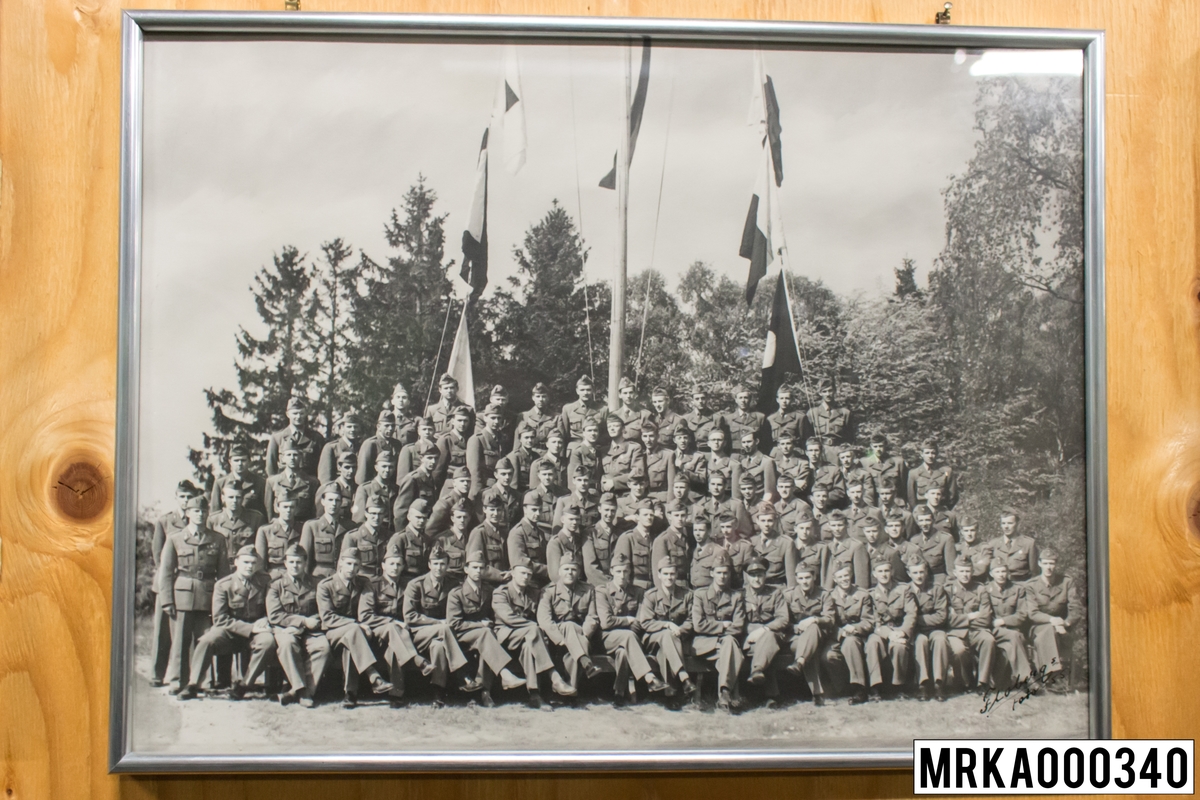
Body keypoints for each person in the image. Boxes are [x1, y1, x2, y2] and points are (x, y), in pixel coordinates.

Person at [178, 546, 275, 701]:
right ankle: (193, 684)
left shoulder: (264, 581)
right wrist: (250, 628)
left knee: (268, 642)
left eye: (253, 563)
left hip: (255, 633)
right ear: (236, 562)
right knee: (206, 641)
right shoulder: (224, 585)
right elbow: (220, 618)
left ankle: (244, 685)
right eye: (245, 562)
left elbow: (272, 608)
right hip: (231, 633)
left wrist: (266, 619)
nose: (249, 566)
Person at [157, 494, 229, 693]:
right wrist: (166, 601)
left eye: (204, 511)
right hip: (182, 595)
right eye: (196, 511)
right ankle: (177, 681)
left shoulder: (217, 539)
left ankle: (202, 682)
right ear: (188, 513)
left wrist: (223, 602)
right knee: (180, 641)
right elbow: (166, 572)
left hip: (208, 595)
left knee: (205, 639)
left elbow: (224, 575)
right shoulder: (175, 539)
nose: (200, 514)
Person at [446, 551, 527, 707]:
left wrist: (487, 626)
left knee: (487, 637)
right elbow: (454, 624)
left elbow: (492, 616)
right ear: (466, 569)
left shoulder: (488, 590)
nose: (478, 571)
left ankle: (484, 692)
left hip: (484, 636)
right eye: (474, 567)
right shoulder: (456, 594)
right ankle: (504, 674)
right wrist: (480, 625)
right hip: (461, 637)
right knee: (485, 634)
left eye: (481, 568)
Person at [359, 544, 435, 707]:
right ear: (383, 565)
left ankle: (396, 694)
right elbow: (365, 616)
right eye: (391, 564)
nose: (395, 567)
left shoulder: (408, 585)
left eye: (398, 564)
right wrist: (392, 622)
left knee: (393, 649)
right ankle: (416, 660)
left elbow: (414, 610)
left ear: (403, 567)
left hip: (403, 634)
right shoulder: (373, 585)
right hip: (378, 632)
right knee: (393, 629)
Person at [493, 557, 573, 709]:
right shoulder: (500, 593)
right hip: (506, 635)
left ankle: (535, 695)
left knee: (529, 647)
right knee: (534, 630)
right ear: (512, 573)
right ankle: (554, 677)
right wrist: (534, 627)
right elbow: (508, 618)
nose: (526, 577)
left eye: (529, 574)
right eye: (522, 573)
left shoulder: (534, 593)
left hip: (528, 639)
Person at [402, 545, 474, 706]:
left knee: (439, 647)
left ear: (447, 565)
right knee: (444, 629)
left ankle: (438, 693)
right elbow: (410, 616)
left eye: (442, 564)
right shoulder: (416, 585)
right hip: (419, 633)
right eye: (435, 563)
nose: (438, 568)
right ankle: (462, 673)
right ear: (429, 565)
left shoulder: (453, 584)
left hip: (443, 637)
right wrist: (438, 623)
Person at [595, 553, 669, 705]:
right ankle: (649, 677)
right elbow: (606, 623)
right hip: (606, 639)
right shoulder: (602, 591)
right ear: (611, 572)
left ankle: (619, 693)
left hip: (630, 640)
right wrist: (627, 620)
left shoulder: (639, 592)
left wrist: (630, 625)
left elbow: (640, 622)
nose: (622, 576)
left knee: (623, 652)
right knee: (627, 636)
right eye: (618, 571)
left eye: (625, 571)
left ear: (629, 572)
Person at [267, 544, 328, 707]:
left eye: (299, 562)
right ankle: (303, 691)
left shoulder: (317, 583)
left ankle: (298, 691)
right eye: (292, 562)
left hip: (311, 629)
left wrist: (307, 624)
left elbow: (324, 610)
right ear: (285, 563)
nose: (295, 566)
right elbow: (274, 615)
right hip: (285, 628)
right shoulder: (275, 585)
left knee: (323, 648)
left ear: (305, 563)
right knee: (287, 644)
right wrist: (300, 621)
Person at [690, 549, 746, 712]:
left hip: (724, 645)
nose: (722, 576)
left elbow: (738, 626)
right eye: (719, 572)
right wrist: (722, 626)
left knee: (728, 644)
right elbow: (698, 625)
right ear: (712, 573)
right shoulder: (700, 595)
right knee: (732, 650)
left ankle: (723, 693)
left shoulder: (736, 596)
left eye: (725, 573)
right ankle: (730, 693)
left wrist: (717, 629)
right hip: (704, 644)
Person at [637, 557, 696, 701]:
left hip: (676, 639)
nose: (669, 577)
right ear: (659, 575)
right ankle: (684, 677)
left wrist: (681, 630)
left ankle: (670, 694)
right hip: (652, 639)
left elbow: (691, 620)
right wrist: (666, 624)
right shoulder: (650, 595)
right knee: (666, 634)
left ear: (676, 575)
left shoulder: (687, 594)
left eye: (672, 574)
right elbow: (645, 622)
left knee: (665, 648)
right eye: (665, 574)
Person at [1023, 549, 1082, 687]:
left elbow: (1076, 608)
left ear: (1056, 565)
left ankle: (1049, 675)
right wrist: (1053, 621)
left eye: (1052, 563)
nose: (1049, 567)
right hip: (1038, 627)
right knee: (1049, 629)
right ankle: (1054, 676)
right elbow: (1033, 613)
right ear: (1039, 564)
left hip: (1062, 628)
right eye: (1046, 563)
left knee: (1052, 631)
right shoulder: (1031, 585)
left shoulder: (1066, 582)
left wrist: (1066, 623)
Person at [822, 559, 875, 705]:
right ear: (834, 579)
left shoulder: (862, 595)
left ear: (851, 575)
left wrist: (855, 628)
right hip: (837, 636)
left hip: (857, 637)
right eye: (840, 577)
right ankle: (842, 687)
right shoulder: (829, 596)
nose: (844, 579)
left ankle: (860, 688)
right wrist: (840, 632)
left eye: (846, 576)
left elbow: (869, 621)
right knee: (827, 656)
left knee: (850, 643)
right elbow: (828, 622)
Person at [782, 563, 833, 706]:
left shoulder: (824, 594)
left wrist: (815, 619)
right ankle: (817, 693)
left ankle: (799, 662)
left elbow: (830, 619)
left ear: (814, 577)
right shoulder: (789, 595)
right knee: (809, 647)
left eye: (808, 577)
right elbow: (783, 620)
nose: (805, 581)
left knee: (813, 628)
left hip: (819, 636)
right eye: (801, 578)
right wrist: (797, 627)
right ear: (796, 579)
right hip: (795, 637)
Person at [740, 556, 789, 704]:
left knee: (768, 640)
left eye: (760, 575)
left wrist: (763, 629)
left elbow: (783, 619)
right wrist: (751, 631)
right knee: (766, 648)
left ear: (765, 575)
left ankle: (757, 671)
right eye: (753, 575)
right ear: (747, 577)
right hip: (748, 638)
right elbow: (737, 619)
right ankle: (771, 695)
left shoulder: (775, 593)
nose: (756, 579)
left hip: (772, 634)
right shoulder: (740, 594)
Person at [944, 555, 997, 692]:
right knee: (959, 650)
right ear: (955, 573)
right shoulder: (948, 590)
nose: (965, 575)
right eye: (961, 571)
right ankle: (965, 682)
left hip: (977, 630)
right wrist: (969, 617)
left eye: (968, 571)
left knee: (988, 639)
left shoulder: (980, 589)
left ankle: (982, 681)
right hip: (955, 633)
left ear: (972, 571)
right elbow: (947, 619)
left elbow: (985, 618)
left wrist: (959, 619)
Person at [866, 561, 916, 699]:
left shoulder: (904, 589)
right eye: (880, 571)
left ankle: (899, 686)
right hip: (880, 630)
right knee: (872, 644)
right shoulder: (870, 594)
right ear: (874, 574)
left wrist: (903, 631)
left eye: (886, 571)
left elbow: (911, 613)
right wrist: (889, 634)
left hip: (900, 629)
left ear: (892, 572)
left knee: (899, 646)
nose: (884, 574)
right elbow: (874, 620)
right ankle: (875, 686)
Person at [906, 555, 950, 701]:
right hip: (915, 631)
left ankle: (939, 683)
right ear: (909, 573)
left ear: (926, 572)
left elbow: (941, 616)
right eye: (915, 573)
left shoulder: (936, 589)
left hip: (933, 628)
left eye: (921, 572)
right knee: (920, 641)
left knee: (941, 639)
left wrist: (917, 620)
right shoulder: (904, 590)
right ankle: (923, 684)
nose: (919, 576)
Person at [985, 560, 1033, 689]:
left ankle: (1015, 680)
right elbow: (985, 614)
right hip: (993, 630)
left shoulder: (1017, 589)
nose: (1001, 575)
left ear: (1007, 573)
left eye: (1003, 571)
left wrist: (1004, 621)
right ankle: (1027, 678)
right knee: (1016, 636)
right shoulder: (985, 590)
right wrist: (994, 623)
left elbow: (1022, 614)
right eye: (997, 572)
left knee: (1010, 645)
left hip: (1012, 630)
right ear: (991, 574)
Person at [208, 481, 265, 569]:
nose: (234, 501)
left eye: (238, 497)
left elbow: (260, 550)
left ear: (242, 498)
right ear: (223, 498)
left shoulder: (256, 519)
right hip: (222, 568)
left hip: (247, 567)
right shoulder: (214, 520)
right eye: (230, 497)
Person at [299, 482, 349, 579]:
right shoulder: (312, 526)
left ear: (341, 502)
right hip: (319, 577)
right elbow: (305, 559)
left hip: (343, 577)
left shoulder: (349, 526)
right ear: (323, 501)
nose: (333, 504)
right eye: (330, 500)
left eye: (337, 500)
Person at [266, 396, 325, 478]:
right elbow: (271, 468)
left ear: (305, 414)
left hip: (309, 486)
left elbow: (322, 467)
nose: (298, 417)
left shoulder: (316, 438)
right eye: (295, 413)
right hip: (284, 486)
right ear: (288, 414)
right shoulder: (277, 438)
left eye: (301, 413)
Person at [264, 436, 319, 520]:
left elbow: (314, 511)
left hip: (303, 526)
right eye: (289, 455)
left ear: (301, 457)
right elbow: (268, 511)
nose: (292, 458)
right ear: (283, 458)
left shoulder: (312, 482)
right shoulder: (272, 482)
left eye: (295, 455)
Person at [255, 489, 303, 580]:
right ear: (277, 508)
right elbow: (260, 565)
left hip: (298, 577)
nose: (288, 510)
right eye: (285, 507)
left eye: (291, 507)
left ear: (296, 508)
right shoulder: (265, 531)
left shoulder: (302, 529)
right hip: (274, 578)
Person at [466, 494, 512, 586]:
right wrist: (501, 576)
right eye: (492, 510)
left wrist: (511, 572)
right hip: (486, 585)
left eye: (498, 510)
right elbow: (474, 565)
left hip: (505, 583)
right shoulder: (479, 532)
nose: (495, 513)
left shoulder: (504, 533)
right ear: (484, 509)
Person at [340, 495, 389, 579]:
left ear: (384, 515)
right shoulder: (353, 536)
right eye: (373, 513)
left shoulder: (389, 536)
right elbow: (343, 566)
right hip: (361, 582)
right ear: (366, 513)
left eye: (380, 513)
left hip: (383, 581)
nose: (376, 517)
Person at [210, 444, 266, 517]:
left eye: (243, 460)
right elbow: (215, 513)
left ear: (249, 461)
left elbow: (266, 510)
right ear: (230, 461)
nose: (239, 464)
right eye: (236, 460)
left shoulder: (260, 482)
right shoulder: (220, 483)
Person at [385, 499, 432, 587]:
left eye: (424, 518)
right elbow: (391, 568)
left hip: (423, 583)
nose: (421, 521)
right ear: (409, 516)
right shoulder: (400, 538)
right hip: (404, 584)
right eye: (418, 517)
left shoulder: (427, 539)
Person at [750, 501, 796, 588]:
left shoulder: (786, 543)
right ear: (757, 521)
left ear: (775, 521)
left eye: (770, 520)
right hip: (756, 590)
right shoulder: (752, 542)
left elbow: (791, 578)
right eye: (763, 520)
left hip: (777, 590)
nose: (766, 524)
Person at [351, 449, 398, 534]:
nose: (387, 470)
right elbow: (359, 519)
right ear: (376, 467)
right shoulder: (365, 489)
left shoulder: (396, 489)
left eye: (390, 467)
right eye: (384, 466)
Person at [508, 491, 550, 585]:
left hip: (542, 581)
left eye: (540, 510)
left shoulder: (539, 531)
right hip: (528, 582)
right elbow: (520, 561)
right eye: (534, 510)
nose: (538, 513)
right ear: (525, 509)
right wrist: (548, 570)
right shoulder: (517, 532)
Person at [613, 500, 657, 590]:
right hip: (634, 588)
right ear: (637, 517)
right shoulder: (627, 538)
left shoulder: (655, 538)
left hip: (653, 588)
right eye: (645, 515)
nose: (649, 517)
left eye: (651, 515)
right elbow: (622, 568)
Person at [393, 441, 439, 528]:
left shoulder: (431, 478)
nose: (433, 462)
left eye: (436, 458)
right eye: (429, 458)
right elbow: (401, 512)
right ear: (421, 458)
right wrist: (403, 534)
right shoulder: (413, 479)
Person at [467, 403, 506, 502]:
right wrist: (476, 494)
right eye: (493, 418)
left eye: (499, 418)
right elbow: (474, 471)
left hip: (501, 487)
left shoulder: (503, 438)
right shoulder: (477, 439)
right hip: (485, 489)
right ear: (485, 418)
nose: (496, 421)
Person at [651, 499, 693, 590]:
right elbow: (658, 573)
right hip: (672, 587)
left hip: (688, 587)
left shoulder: (689, 537)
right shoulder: (663, 540)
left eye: (682, 515)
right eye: (676, 515)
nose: (680, 519)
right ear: (669, 516)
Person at [822, 510, 869, 591]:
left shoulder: (856, 546)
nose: (836, 529)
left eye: (840, 525)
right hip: (831, 595)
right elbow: (825, 577)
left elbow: (862, 581)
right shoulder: (828, 547)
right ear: (829, 526)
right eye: (833, 525)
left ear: (846, 525)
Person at [906, 438, 959, 510]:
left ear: (937, 454)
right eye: (927, 453)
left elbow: (953, 496)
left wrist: (945, 509)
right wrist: (919, 512)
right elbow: (911, 498)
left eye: (933, 453)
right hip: (922, 514)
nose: (930, 456)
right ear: (922, 454)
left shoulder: (946, 472)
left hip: (941, 511)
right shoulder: (914, 473)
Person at [559, 374, 607, 451]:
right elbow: (564, 435)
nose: (585, 393)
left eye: (588, 390)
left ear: (593, 391)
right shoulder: (568, 409)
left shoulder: (603, 409)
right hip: (574, 449)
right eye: (582, 390)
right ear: (577, 391)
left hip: (594, 449)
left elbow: (605, 434)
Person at [989, 509, 1038, 583]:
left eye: (1010, 523)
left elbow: (1035, 573)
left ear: (1017, 523)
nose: (1006, 526)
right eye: (1003, 523)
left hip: (1021, 586)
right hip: (1000, 587)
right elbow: (988, 572)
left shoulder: (1028, 544)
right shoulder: (993, 544)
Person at [426, 466, 477, 539]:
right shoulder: (445, 503)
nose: (465, 484)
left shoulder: (468, 502)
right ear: (454, 483)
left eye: (468, 481)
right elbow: (430, 531)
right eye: (462, 481)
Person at [911, 505, 957, 584]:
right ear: (917, 522)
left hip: (939, 582)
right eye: (921, 520)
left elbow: (951, 571)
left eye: (927, 520)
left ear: (933, 520)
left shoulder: (945, 539)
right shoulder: (914, 540)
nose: (924, 524)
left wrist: (948, 587)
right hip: (920, 582)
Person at [583, 492, 620, 588]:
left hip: (618, 584)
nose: (609, 514)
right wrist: (609, 584)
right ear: (599, 509)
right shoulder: (590, 533)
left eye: (612, 510)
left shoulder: (620, 533)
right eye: (606, 510)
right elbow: (590, 568)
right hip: (597, 585)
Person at [805, 377, 855, 446]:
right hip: (820, 451)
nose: (828, 394)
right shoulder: (813, 413)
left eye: (830, 391)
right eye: (824, 391)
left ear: (834, 391)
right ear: (820, 393)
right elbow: (807, 437)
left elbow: (850, 437)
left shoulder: (844, 413)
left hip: (839, 450)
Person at [358, 409, 401, 487]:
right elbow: (363, 473)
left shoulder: (397, 444)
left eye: (393, 425)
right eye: (387, 425)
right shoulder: (371, 444)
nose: (390, 428)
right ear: (378, 426)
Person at [434, 499, 473, 585]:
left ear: (469, 518)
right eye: (459, 517)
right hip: (449, 583)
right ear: (452, 518)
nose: (462, 520)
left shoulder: (472, 537)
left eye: (465, 517)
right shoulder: (442, 539)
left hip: (469, 582)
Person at [861, 434, 907, 506]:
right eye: (875, 446)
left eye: (881, 446)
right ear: (871, 446)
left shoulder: (898, 462)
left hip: (895, 503)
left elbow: (904, 486)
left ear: (885, 445)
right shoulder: (865, 463)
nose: (878, 449)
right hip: (875, 504)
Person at [600, 414, 642, 494]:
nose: (612, 429)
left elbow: (637, 473)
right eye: (609, 427)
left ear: (623, 429)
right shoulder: (603, 450)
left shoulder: (633, 448)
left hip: (626, 494)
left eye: (615, 426)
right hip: (607, 494)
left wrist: (614, 482)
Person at [434, 405, 474, 488]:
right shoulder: (445, 440)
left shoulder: (470, 440)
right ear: (452, 421)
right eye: (459, 420)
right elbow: (438, 470)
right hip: (450, 484)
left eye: (465, 421)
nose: (462, 424)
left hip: (467, 483)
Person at [732, 430, 778, 502]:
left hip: (760, 504)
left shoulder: (767, 462)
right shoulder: (743, 462)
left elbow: (769, 492)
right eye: (743, 442)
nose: (746, 445)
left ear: (756, 441)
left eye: (749, 442)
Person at [318, 411, 362, 484]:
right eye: (349, 427)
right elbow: (325, 479)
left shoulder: (361, 447)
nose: (353, 430)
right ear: (342, 428)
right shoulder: (331, 448)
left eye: (355, 427)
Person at [515, 382, 559, 455]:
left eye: (544, 396)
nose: (541, 399)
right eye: (538, 396)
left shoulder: (556, 416)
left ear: (548, 398)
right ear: (533, 398)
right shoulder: (524, 416)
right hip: (529, 454)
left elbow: (560, 440)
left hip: (548, 454)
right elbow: (517, 440)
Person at [546, 504, 587, 583]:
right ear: (563, 519)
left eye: (577, 519)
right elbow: (555, 575)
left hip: (581, 585)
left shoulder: (580, 539)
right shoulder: (555, 542)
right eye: (571, 519)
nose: (575, 522)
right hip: (563, 587)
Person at [793, 510, 831, 590]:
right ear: (795, 529)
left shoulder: (821, 548)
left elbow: (824, 575)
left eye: (808, 528)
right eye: (801, 528)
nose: (804, 532)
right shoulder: (790, 546)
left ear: (813, 529)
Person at [681, 386, 726, 453]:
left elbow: (723, 442)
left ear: (707, 399)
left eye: (703, 398)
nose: (700, 401)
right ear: (692, 401)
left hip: (709, 455)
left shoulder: (716, 418)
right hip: (690, 455)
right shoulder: (686, 419)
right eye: (697, 399)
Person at [482, 457, 522, 532]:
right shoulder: (486, 494)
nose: (507, 477)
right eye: (503, 474)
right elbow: (481, 522)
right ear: (496, 475)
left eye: (510, 474)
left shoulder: (518, 496)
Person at [669, 424, 708, 497]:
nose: (683, 441)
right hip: (673, 495)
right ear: (674, 440)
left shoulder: (698, 456)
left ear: (689, 439)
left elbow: (702, 479)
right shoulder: (669, 456)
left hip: (692, 495)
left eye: (685, 438)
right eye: (679, 438)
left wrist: (683, 469)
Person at [766, 385, 806, 455]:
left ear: (792, 400)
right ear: (777, 400)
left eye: (787, 398)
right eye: (781, 398)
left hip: (794, 453)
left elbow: (804, 440)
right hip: (775, 455)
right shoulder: (770, 419)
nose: (784, 401)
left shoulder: (800, 417)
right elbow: (767, 442)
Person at [637, 421, 671, 499]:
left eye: (651, 436)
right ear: (641, 437)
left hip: (661, 499)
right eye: (645, 436)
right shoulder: (640, 455)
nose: (648, 440)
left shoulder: (667, 455)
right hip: (643, 499)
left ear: (657, 436)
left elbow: (671, 485)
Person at [397, 416, 437, 480]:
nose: (427, 432)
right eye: (424, 429)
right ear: (418, 431)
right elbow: (402, 478)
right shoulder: (409, 450)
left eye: (430, 429)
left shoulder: (437, 448)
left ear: (434, 431)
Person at [529, 429, 568, 493]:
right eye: (553, 442)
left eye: (560, 442)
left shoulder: (566, 462)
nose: (557, 445)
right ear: (547, 444)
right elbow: (534, 490)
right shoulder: (537, 464)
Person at [688, 515, 722, 590]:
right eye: (695, 530)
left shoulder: (718, 551)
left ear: (709, 531)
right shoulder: (692, 551)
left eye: (701, 530)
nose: (697, 533)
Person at [506, 427, 540, 494]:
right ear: (520, 439)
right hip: (520, 493)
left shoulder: (536, 456)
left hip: (534, 492)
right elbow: (513, 484)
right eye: (526, 437)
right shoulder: (514, 456)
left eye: (532, 437)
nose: (530, 440)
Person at [389, 381, 419, 446]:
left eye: (404, 397)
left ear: (408, 402)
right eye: (398, 397)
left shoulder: (417, 420)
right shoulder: (387, 419)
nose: (401, 400)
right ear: (392, 401)